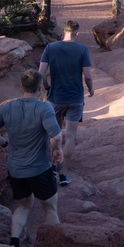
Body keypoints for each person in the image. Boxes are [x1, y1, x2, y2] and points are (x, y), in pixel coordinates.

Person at [0, 69, 63, 247]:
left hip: (16, 170)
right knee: (50, 207)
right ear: (40, 88)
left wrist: (5, 143)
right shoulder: (44, 108)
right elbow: (56, 135)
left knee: (24, 206)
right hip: (40, 169)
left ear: (21, 86)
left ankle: (14, 245)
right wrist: (57, 150)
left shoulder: (8, 107)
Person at [39, 19, 93, 186]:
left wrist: (46, 85)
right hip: (75, 98)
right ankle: (63, 174)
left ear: (63, 31)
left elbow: (41, 72)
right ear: (77, 33)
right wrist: (91, 89)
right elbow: (88, 76)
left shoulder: (51, 48)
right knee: (70, 135)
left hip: (55, 97)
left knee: (55, 133)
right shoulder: (82, 49)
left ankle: (52, 167)